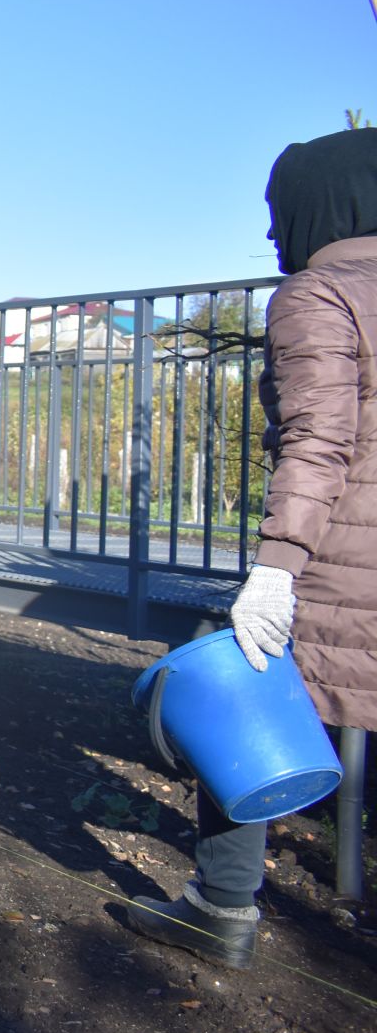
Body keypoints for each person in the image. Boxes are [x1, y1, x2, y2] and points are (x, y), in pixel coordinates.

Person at [125, 127, 377, 969]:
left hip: (346, 567)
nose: (273, 234)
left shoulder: (318, 293)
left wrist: (274, 571)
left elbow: (319, 441)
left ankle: (221, 907)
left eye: (282, 211)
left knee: (237, 684)